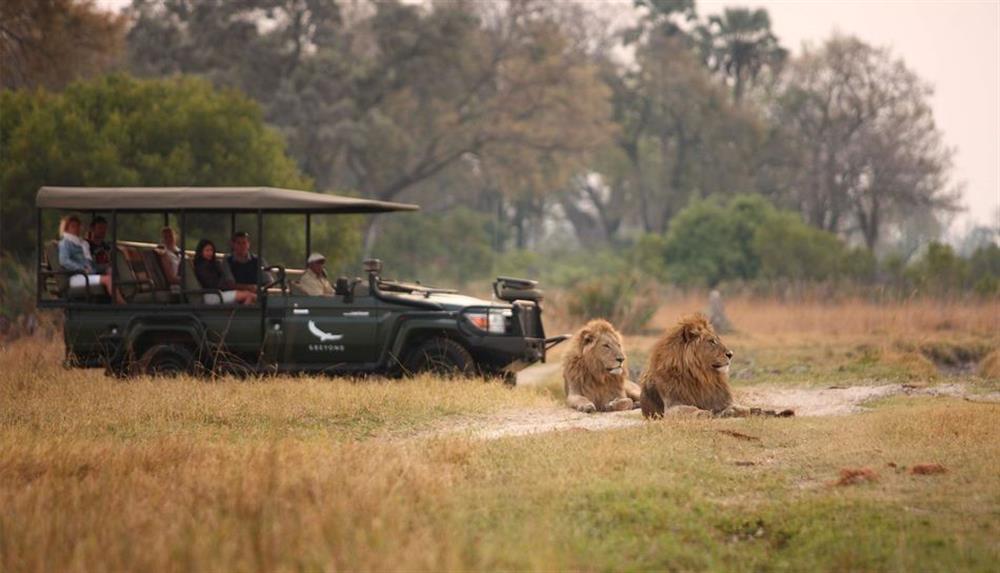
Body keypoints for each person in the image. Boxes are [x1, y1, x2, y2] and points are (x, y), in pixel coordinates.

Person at [58, 215, 116, 300]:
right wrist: (81, 269)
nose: (76, 229)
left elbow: (91, 265)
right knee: (107, 279)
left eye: (78, 226)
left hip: (86, 274)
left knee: (112, 274)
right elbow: (64, 261)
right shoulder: (65, 243)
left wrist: (105, 267)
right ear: (66, 228)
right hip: (76, 276)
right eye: (73, 226)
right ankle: (121, 305)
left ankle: (115, 300)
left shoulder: (82, 244)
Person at [193, 239, 256, 305]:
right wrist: (227, 285)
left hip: (219, 292)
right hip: (212, 294)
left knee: (252, 297)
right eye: (207, 250)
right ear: (201, 252)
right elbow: (213, 284)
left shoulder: (212, 264)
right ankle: (241, 313)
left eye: (211, 250)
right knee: (249, 295)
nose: (210, 253)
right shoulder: (202, 267)